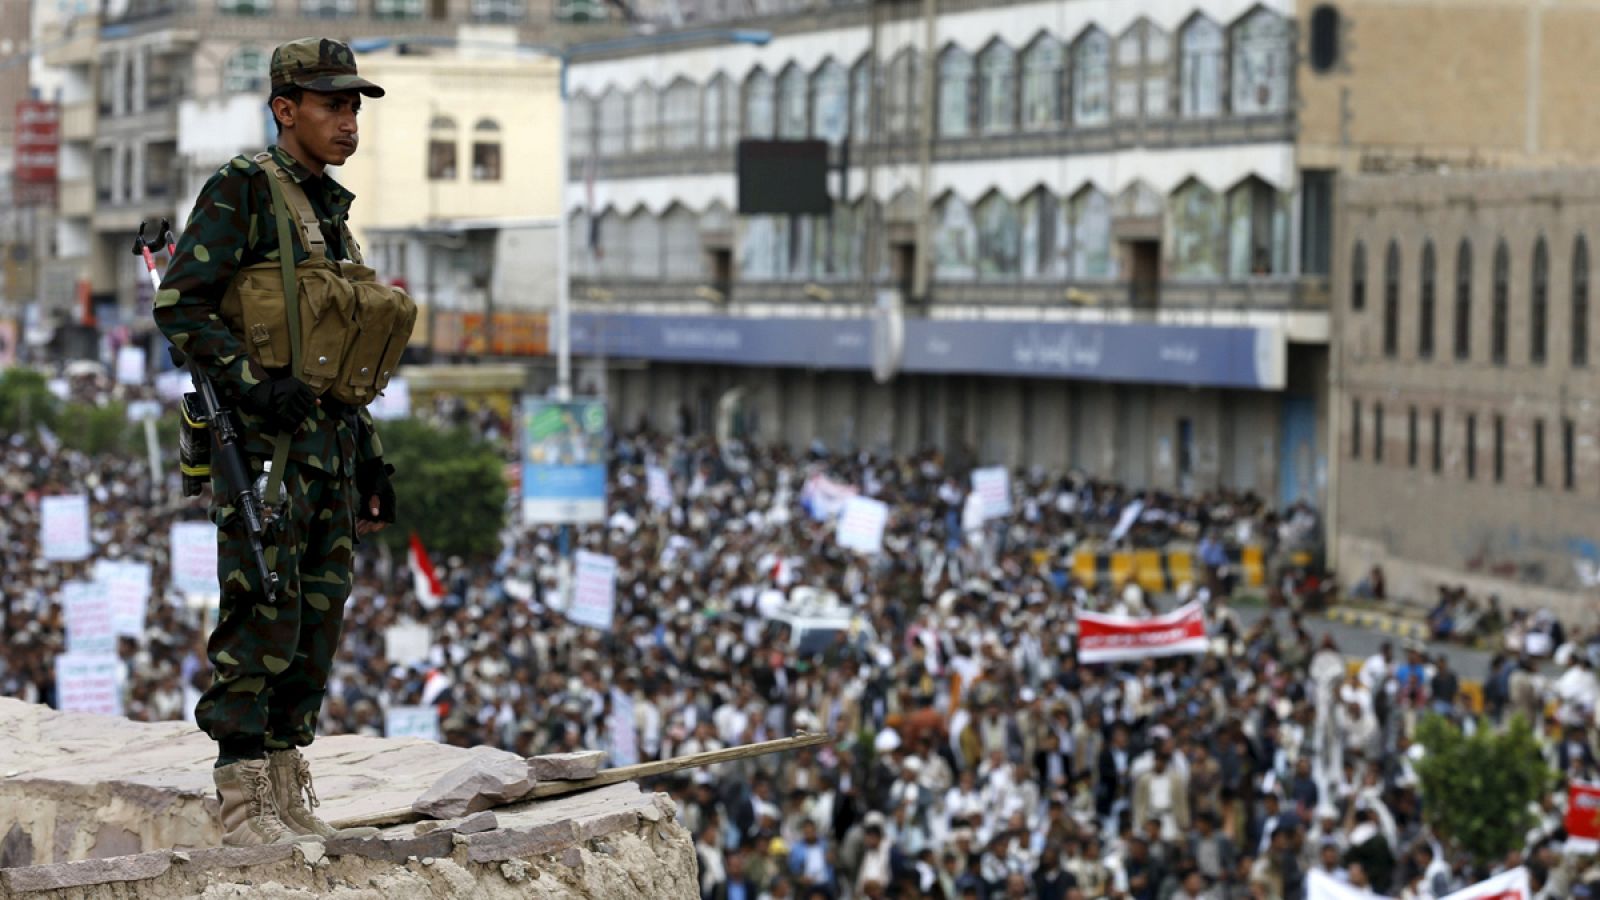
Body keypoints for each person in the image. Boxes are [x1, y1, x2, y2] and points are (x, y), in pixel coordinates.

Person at [154, 37, 398, 846]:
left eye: (354, 105)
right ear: (284, 109)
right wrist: (253, 383)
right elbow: (181, 307)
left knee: (316, 624)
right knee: (262, 613)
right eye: (332, 104)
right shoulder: (244, 189)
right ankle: (242, 798)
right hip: (266, 452)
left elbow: (338, 351)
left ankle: (288, 784)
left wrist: (369, 460)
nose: (348, 120)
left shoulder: (330, 210)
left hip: (327, 450)